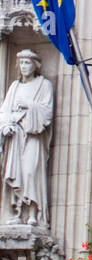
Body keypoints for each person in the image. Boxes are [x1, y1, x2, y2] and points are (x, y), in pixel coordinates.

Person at [0, 48, 53, 226]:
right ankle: (19, 211)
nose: (24, 66)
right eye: (21, 62)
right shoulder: (14, 87)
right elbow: (5, 111)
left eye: (27, 62)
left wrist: (29, 105)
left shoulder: (43, 85)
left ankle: (33, 213)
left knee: (30, 172)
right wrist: (6, 126)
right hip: (15, 137)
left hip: (33, 136)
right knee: (17, 174)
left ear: (35, 65)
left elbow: (47, 111)